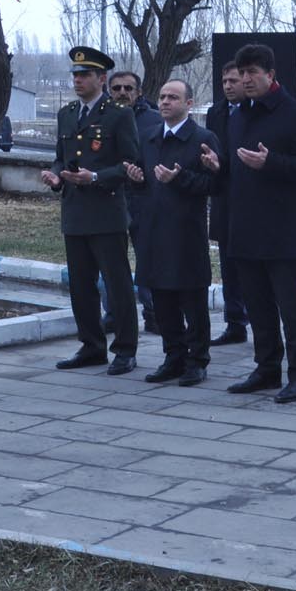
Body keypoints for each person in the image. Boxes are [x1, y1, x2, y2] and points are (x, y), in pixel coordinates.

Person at [201, 43, 296, 403]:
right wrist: (218, 166)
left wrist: (271, 163)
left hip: (280, 228)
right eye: (243, 72)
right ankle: (267, 367)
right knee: (256, 305)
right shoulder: (238, 116)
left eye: (254, 72)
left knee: (289, 306)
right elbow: (237, 170)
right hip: (243, 226)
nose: (246, 79)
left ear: (271, 75)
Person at [40, 46, 142, 375]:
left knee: (117, 284)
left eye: (84, 75)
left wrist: (95, 176)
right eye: (75, 74)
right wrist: (56, 175)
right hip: (74, 212)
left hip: (106, 211)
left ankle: (125, 349)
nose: (77, 80)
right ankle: (91, 345)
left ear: (102, 78)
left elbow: (131, 163)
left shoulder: (118, 114)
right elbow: (61, 155)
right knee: (80, 285)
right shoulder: (67, 113)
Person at [124, 80, 219, 387]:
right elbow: (140, 181)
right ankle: (173, 356)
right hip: (152, 229)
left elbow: (213, 186)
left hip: (186, 232)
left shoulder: (203, 138)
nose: (164, 102)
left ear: (189, 104)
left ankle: (197, 360)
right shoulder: (149, 137)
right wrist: (135, 178)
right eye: (162, 96)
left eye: (173, 97)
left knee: (192, 300)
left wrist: (180, 179)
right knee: (162, 300)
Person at [109, 70, 161, 333]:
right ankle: (113, 314)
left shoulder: (153, 119)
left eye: (128, 88)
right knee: (111, 260)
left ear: (139, 92)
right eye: (116, 88)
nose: (122, 93)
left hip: (143, 197)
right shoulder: (102, 117)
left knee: (147, 258)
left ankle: (153, 313)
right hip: (111, 197)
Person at [205, 62, 248, 346]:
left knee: (252, 264)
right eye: (225, 81)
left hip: (252, 198)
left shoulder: (255, 111)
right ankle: (235, 323)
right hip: (223, 196)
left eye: (234, 81)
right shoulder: (215, 112)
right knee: (229, 263)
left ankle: (261, 319)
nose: (229, 86)